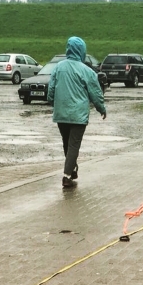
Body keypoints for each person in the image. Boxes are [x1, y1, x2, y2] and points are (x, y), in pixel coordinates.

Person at [47, 36, 107, 188]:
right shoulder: (87, 71)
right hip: (78, 116)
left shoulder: (58, 67)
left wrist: (51, 100)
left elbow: (51, 88)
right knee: (73, 145)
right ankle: (67, 177)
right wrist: (101, 108)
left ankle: (72, 168)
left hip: (61, 114)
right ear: (82, 51)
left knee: (67, 143)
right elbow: (95, 92)